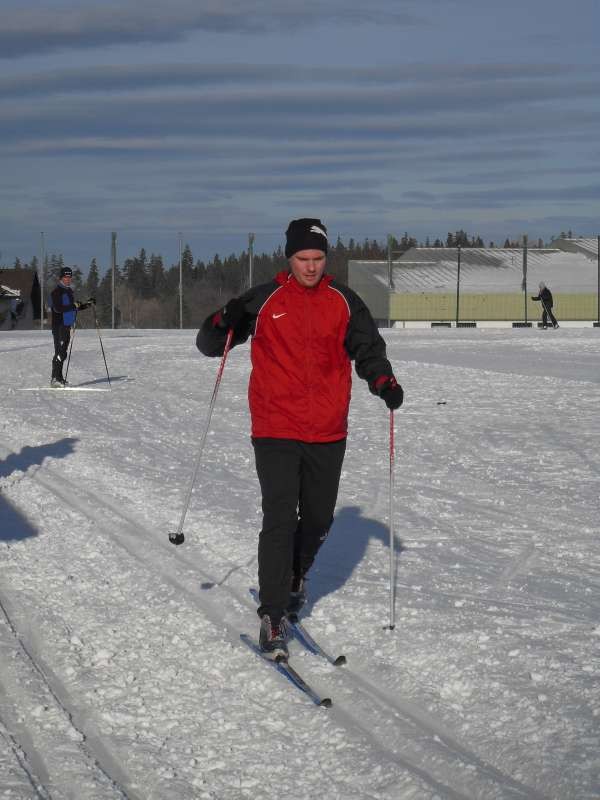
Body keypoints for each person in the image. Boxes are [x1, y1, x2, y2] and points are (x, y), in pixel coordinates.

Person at [196, 218, 403, 660]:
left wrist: (383, 380)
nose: (310, 266)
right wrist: (221, 320)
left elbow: (368, 348)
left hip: (327, 428)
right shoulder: (264, 299)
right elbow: (211, 344)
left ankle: (295, 575)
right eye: (303, 258)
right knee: (279, 516)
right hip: (275, 426)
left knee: (319, 519)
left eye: (318, 258)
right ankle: (272, 613)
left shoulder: (343, 302)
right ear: (289, 258)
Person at [49, 266, 95, 386]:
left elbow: (74, 307)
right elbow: (58, 308)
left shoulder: (69, 291)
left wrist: (88, 304)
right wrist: (74, 306)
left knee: (63, 352)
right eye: (66, 277)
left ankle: (59, 378)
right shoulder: (56, 292)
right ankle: (55, 379)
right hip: (59, 326)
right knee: (60, 352)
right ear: (61, 278)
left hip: (67, 326)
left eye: (70, 277)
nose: (68, 279)